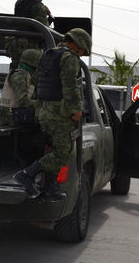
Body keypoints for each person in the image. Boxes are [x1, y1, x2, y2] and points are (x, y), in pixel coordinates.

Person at [14, 28, 91, 199]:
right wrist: (75, 110)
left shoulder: (47, 55)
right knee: (63, 153)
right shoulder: (69, 58)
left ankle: (50, 187)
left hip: (44, 113)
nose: (81, 54)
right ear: (78, 44)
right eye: (82, 50)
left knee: (54, 150)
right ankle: (26, 175)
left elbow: (37, 82)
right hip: (59, 115)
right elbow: (70, 86)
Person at [7, 0, 53, 69]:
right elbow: (45, 30)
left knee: (16, 70)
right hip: (30, 48)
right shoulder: (38, 7)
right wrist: (48, 16)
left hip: (15, 45)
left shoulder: (19, 3)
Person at [0, 48, 42, 127]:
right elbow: (23, 101)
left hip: (18, 113)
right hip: (12, 116)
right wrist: (41, 103)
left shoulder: (27, 74)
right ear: (32, 63)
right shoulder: (19, 76)